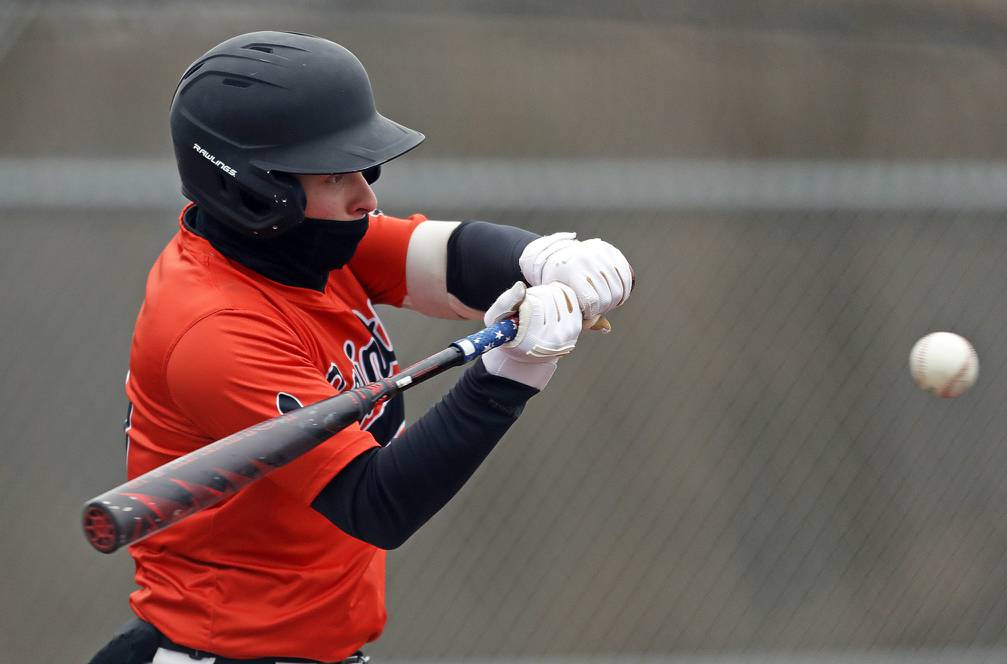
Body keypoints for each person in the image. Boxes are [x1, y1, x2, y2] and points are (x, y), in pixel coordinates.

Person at [88, 31, 633, 664]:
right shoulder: (214, 328)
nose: (366, 198)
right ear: (256, 191)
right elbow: (377, 503)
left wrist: (545, 257)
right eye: (336, 176)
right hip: (226, 653)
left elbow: (447, 259)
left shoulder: (299, 246)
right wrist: (508, 374)